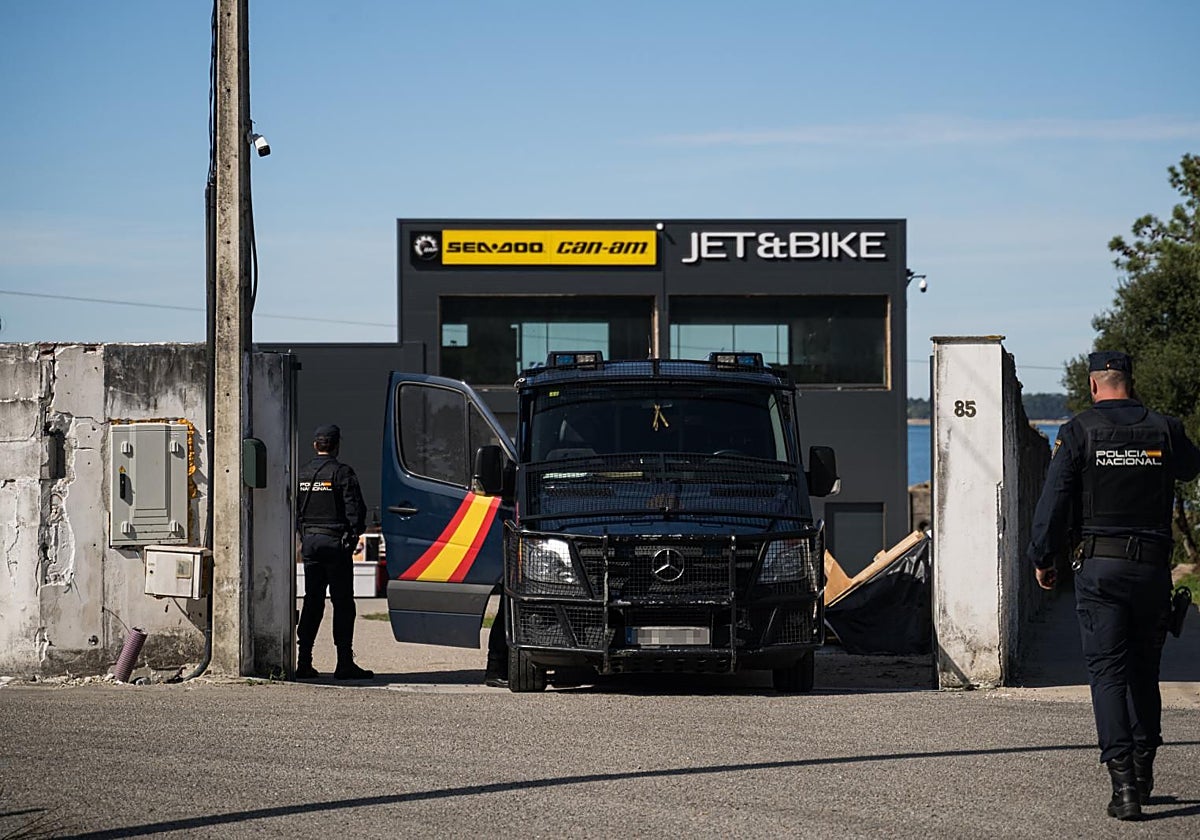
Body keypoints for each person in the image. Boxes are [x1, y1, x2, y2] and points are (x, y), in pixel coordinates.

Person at [1027, 351, 1200, 820]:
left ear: (1093, 386)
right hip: (1151, 570)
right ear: (1131, 381)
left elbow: (1054, 499)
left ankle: (1123, 788)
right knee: (1145, 672)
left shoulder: (1079, 431)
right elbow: (1190, 468)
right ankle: (1144, 774)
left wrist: (1043, 558)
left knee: (1108, 674)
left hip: (1100, 570)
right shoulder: (1164, 428)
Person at [296, 424, 374, 680]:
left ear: (315, 445)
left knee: (312, 601)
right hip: (335, 545)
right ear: (337, 445)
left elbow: (295, 510)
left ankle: (303, 661)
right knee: (342, 603)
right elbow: (356, 511)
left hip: (310, 543)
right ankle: (343, 662)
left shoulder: (302, 474)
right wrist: (352, 538)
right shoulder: (342, 473)